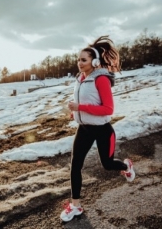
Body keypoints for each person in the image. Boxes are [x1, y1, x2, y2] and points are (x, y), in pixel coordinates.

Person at [60, 36, 135, 222]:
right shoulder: (80, 78)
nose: (79, 63)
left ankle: (126, 166)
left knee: (107, 164)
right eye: (78, 59)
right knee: (75, 165)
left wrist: (80, 108)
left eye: (83, 60)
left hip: (102, 129)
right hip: (84, 128)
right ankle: (75, 205)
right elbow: (87, 101)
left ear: (94, 61)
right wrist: (76, 114)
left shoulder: (101, 79)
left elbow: (108, 109)